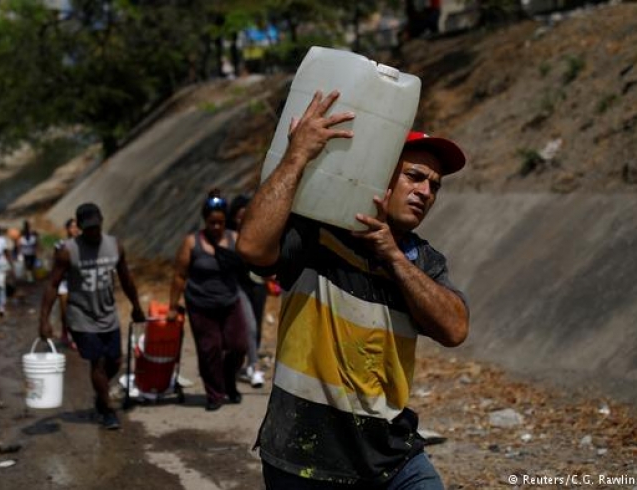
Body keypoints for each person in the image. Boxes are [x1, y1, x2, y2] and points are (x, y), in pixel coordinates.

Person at [236, 90, 470, 489]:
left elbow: (454, 329)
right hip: (303, 457)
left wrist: (394, 258)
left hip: (392, 457)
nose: (425, 192)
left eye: (434, 186)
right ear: (381, 175)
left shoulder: (422, 261)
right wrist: (298, 156)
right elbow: (252, 247)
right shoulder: (318, 235)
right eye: (414, 177)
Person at [39, 203, 145, 430]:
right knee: (97, 361)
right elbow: (52, 285)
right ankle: (107, 410)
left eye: (96, 228)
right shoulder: (68, 251)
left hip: (108, 313)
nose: (93, 233)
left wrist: (136, 305)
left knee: (115, 360)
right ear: (79, 227)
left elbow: (126, 277)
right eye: (88, 229)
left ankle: (101, 393)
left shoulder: (114, 245)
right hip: (81, 316)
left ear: (102, 223)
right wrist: (44, 320)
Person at [167, 189, 249, 411]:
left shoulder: (234, 239)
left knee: (239, 346)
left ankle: (229, 381)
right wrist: (172, 307)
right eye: (212, 222)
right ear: (205, 220)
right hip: (201, 305)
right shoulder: (191, 243)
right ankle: (215, 394)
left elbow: (250, 262)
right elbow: (179, 276)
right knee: (209, 349)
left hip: (230, 302)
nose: (216, 227)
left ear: (226, 221)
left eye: (220, 222)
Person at [228, 194, 268, 389]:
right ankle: (254, 365)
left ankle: (249, 362)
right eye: (238, 217)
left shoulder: (258, 232)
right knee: (249, 326)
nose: (241, 220)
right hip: (238, 286)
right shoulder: (229, 237)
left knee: (257, 326)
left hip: (258, 284)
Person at [57, 218, 81, 349]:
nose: (75, 229)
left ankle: (76, 336)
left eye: (77, 227)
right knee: (65, 311)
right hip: (65, 282)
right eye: (72, 227)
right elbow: (56, 265)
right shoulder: (60, 245)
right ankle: (65, 332)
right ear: (67, 229)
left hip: (79, 281)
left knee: (78, 310)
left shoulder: (83, 244)